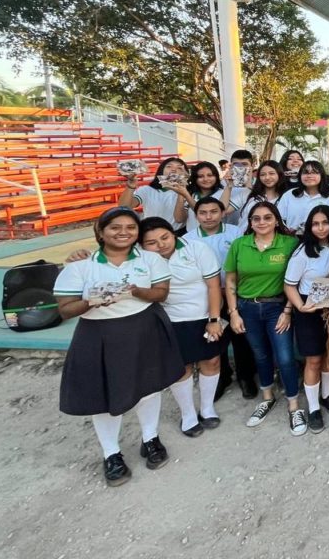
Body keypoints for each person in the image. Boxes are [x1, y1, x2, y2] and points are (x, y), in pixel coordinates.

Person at [53, 207, 181, 486]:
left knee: (150, 387)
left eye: (130, 227)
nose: (123, 232)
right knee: (104, 395)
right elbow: (64, 309)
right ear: (100, 232)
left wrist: (134, 290)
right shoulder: (80, 265)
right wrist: (93, 301)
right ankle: (111, 453)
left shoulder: (149, 259)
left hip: (143, 326)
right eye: (115, 227)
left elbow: (160, 293)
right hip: (99, 333)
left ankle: (150, 438)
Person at [137, 218, 225, 437]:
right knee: (181, 368)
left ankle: (207, 408)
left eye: (165, 237)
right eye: (152, 242)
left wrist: (214, 319)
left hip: (203, 315)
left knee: (211, 361)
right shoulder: (141, 260)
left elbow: (213, 286)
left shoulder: (196, 249)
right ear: (142, 245)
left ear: (173, 234)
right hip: (169, 320)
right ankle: (188, 414)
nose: (161, 245)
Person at [223, 202, 303, 434]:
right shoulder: (240, 245)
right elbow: (230, 281)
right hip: (247, 308)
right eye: (256, 219)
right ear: (250, 222)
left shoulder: (289, 244)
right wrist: (234, 313)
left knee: (286, 357)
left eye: (267, 217)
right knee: (260, 354)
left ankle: (293, 404)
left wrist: (288, 311)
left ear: (276, 220)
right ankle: (267, 396)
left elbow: (295, 280)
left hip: (277, 307)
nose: (262, 222)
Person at [283, 204, 329, 434]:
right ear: (309, 226)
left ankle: (327, 395)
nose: (320, 228)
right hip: (310, 306)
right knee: (314, 359)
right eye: (315, 224)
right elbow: (289, 285)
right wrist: (300, 306)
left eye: (325, 223)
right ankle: (314, 407)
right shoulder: (302, 252)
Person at [190, 196, 257, 400]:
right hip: (207, 296)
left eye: (213, 212)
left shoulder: (235, 233)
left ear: (222, 214)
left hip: (235, 291)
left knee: (240, 336)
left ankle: (245, 377)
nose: (208, 216)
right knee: (214, 336)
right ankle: (222, 376)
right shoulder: (188, 239)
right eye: (203, 212)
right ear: (196, 215)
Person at [118, 156, 188, 231]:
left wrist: (182, 191)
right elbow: (124, 207)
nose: (174, 170)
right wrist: (130, 187)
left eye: (179, 168)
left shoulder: (189, 193)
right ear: (161, 171)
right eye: (169, 166)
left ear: (185, 173)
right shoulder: (147, 190)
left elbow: (179, 219)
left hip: (176, 234)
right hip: (150, 232)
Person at [276, 160, 329, 235]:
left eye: (314, 172)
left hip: (319, 240)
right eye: (305, 173)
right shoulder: (290, 195)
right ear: (300, 176)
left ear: (322, 176)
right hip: (292, 239)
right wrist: (285, 230)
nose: (309, 176)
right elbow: (278, 218)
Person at [178, 161, 233, 235]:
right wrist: (181, 194)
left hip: (217, 237)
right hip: (192, 238)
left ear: (216, 176)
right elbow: (179, 219)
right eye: (200, 176)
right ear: (195, 178)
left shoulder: (223, 193)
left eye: (210, 175)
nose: (206, 179)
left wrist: (186, 194)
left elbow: (221, 209)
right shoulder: (192, 193)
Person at [237, 159, 287, 232]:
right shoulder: (253, 199)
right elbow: (243, 226)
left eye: (271, 173)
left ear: (279, 174)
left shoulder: (286, 198)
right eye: (263, 174)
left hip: (280, 241)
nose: (267, 177)